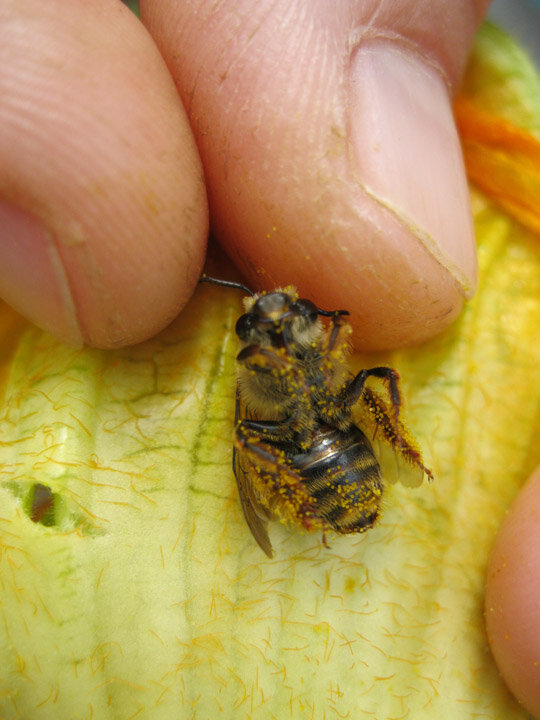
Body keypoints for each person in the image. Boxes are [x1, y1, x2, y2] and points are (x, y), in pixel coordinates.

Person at [1, 0, 538, 715]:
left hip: (325, 463)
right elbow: (299, 409)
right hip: (327, 462)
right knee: (360, 386)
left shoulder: (282, 373)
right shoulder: (280, 377)